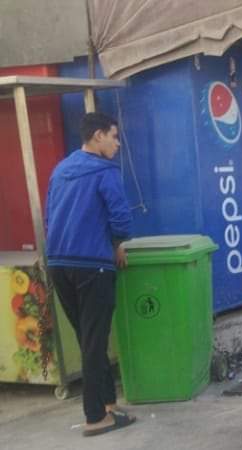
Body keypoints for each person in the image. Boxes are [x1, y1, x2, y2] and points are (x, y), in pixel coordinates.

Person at [45, 112, 135, 437]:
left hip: (59, 264)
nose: (117, 143)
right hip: (92, 265)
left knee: (88, 339)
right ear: (98, 136)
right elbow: (121, 218)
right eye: (113, 136)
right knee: (94, 343)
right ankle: (95, 417)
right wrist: (117, 244)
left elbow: (49, 217)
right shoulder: (105, 171)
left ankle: (108, 404)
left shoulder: (61, 170)